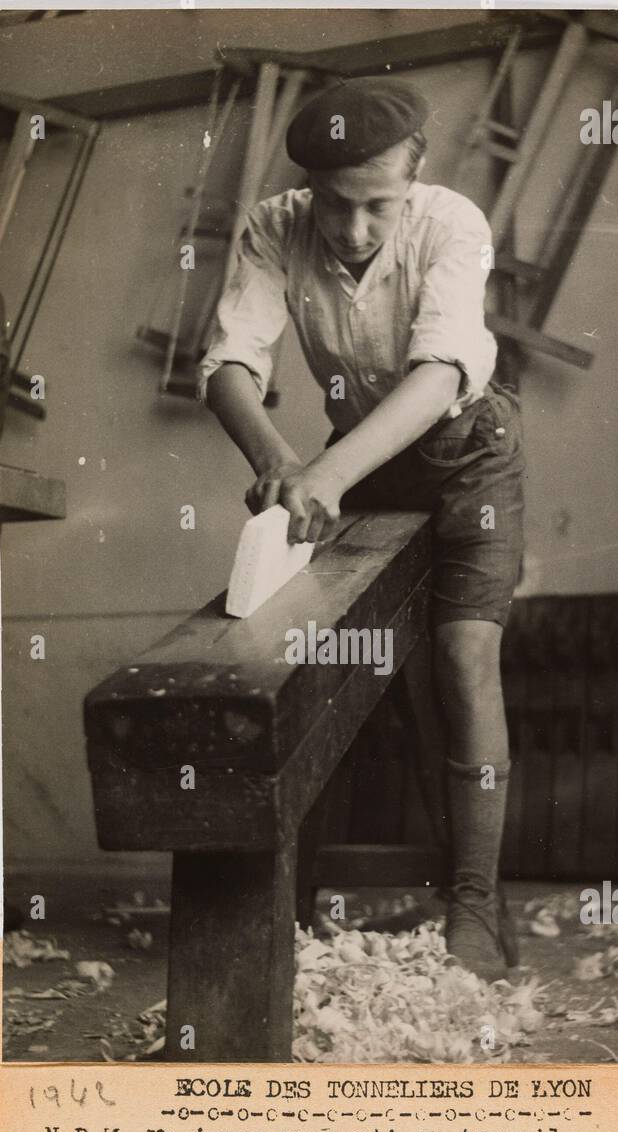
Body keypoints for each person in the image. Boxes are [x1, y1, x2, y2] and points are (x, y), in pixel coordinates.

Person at [198, 77, 525, 978]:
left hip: (468, 458)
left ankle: (476, 904)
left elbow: (438, 372)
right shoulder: (276, 225)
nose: (352, 230)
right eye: (336, 206)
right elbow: (231, 361)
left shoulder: (452, 224)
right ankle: (289, 907)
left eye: (378, 205)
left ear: (413, 180)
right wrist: (277, 461)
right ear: (308, 187)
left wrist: (325, 472)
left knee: (463, 658)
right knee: (337, 668)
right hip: (362, 465)